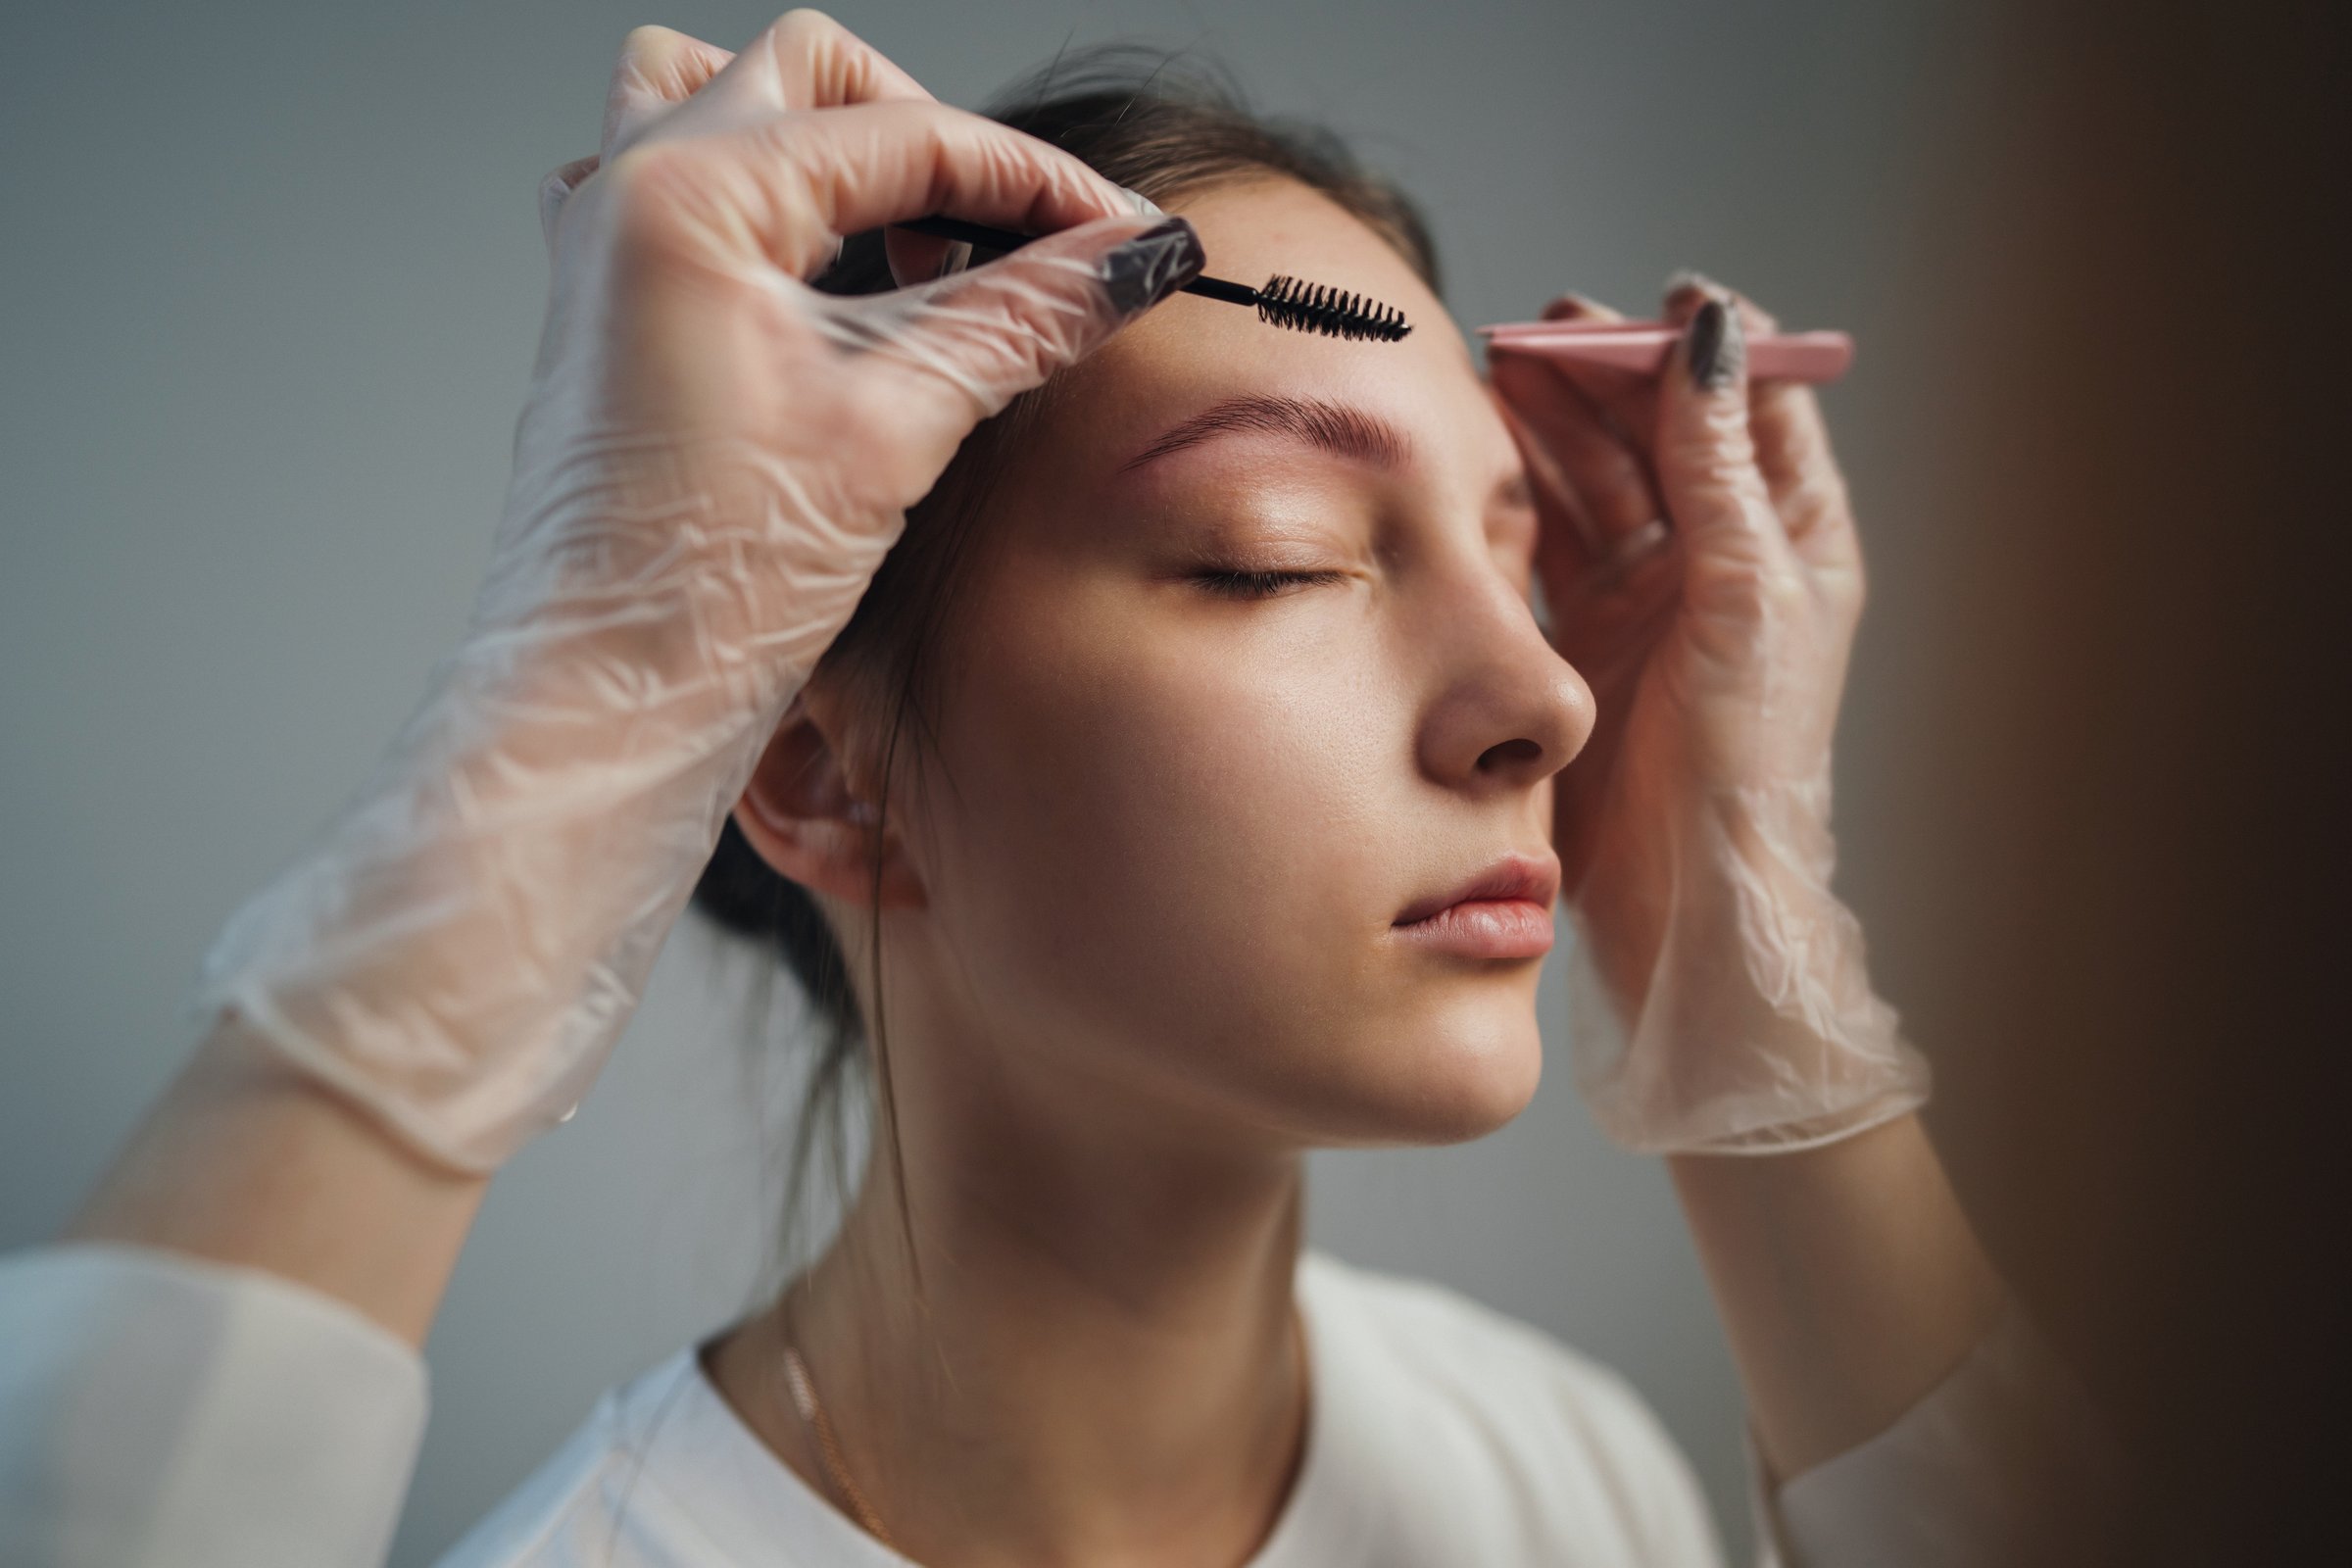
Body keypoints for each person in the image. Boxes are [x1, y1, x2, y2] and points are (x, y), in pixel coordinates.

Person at [0, 12, 2117, 1566]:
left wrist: (1748, 973)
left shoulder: (1568, 1480)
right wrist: (575, 711)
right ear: (817, 771)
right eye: (1277, 552)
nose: (1549, 698)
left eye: (1522, 562)